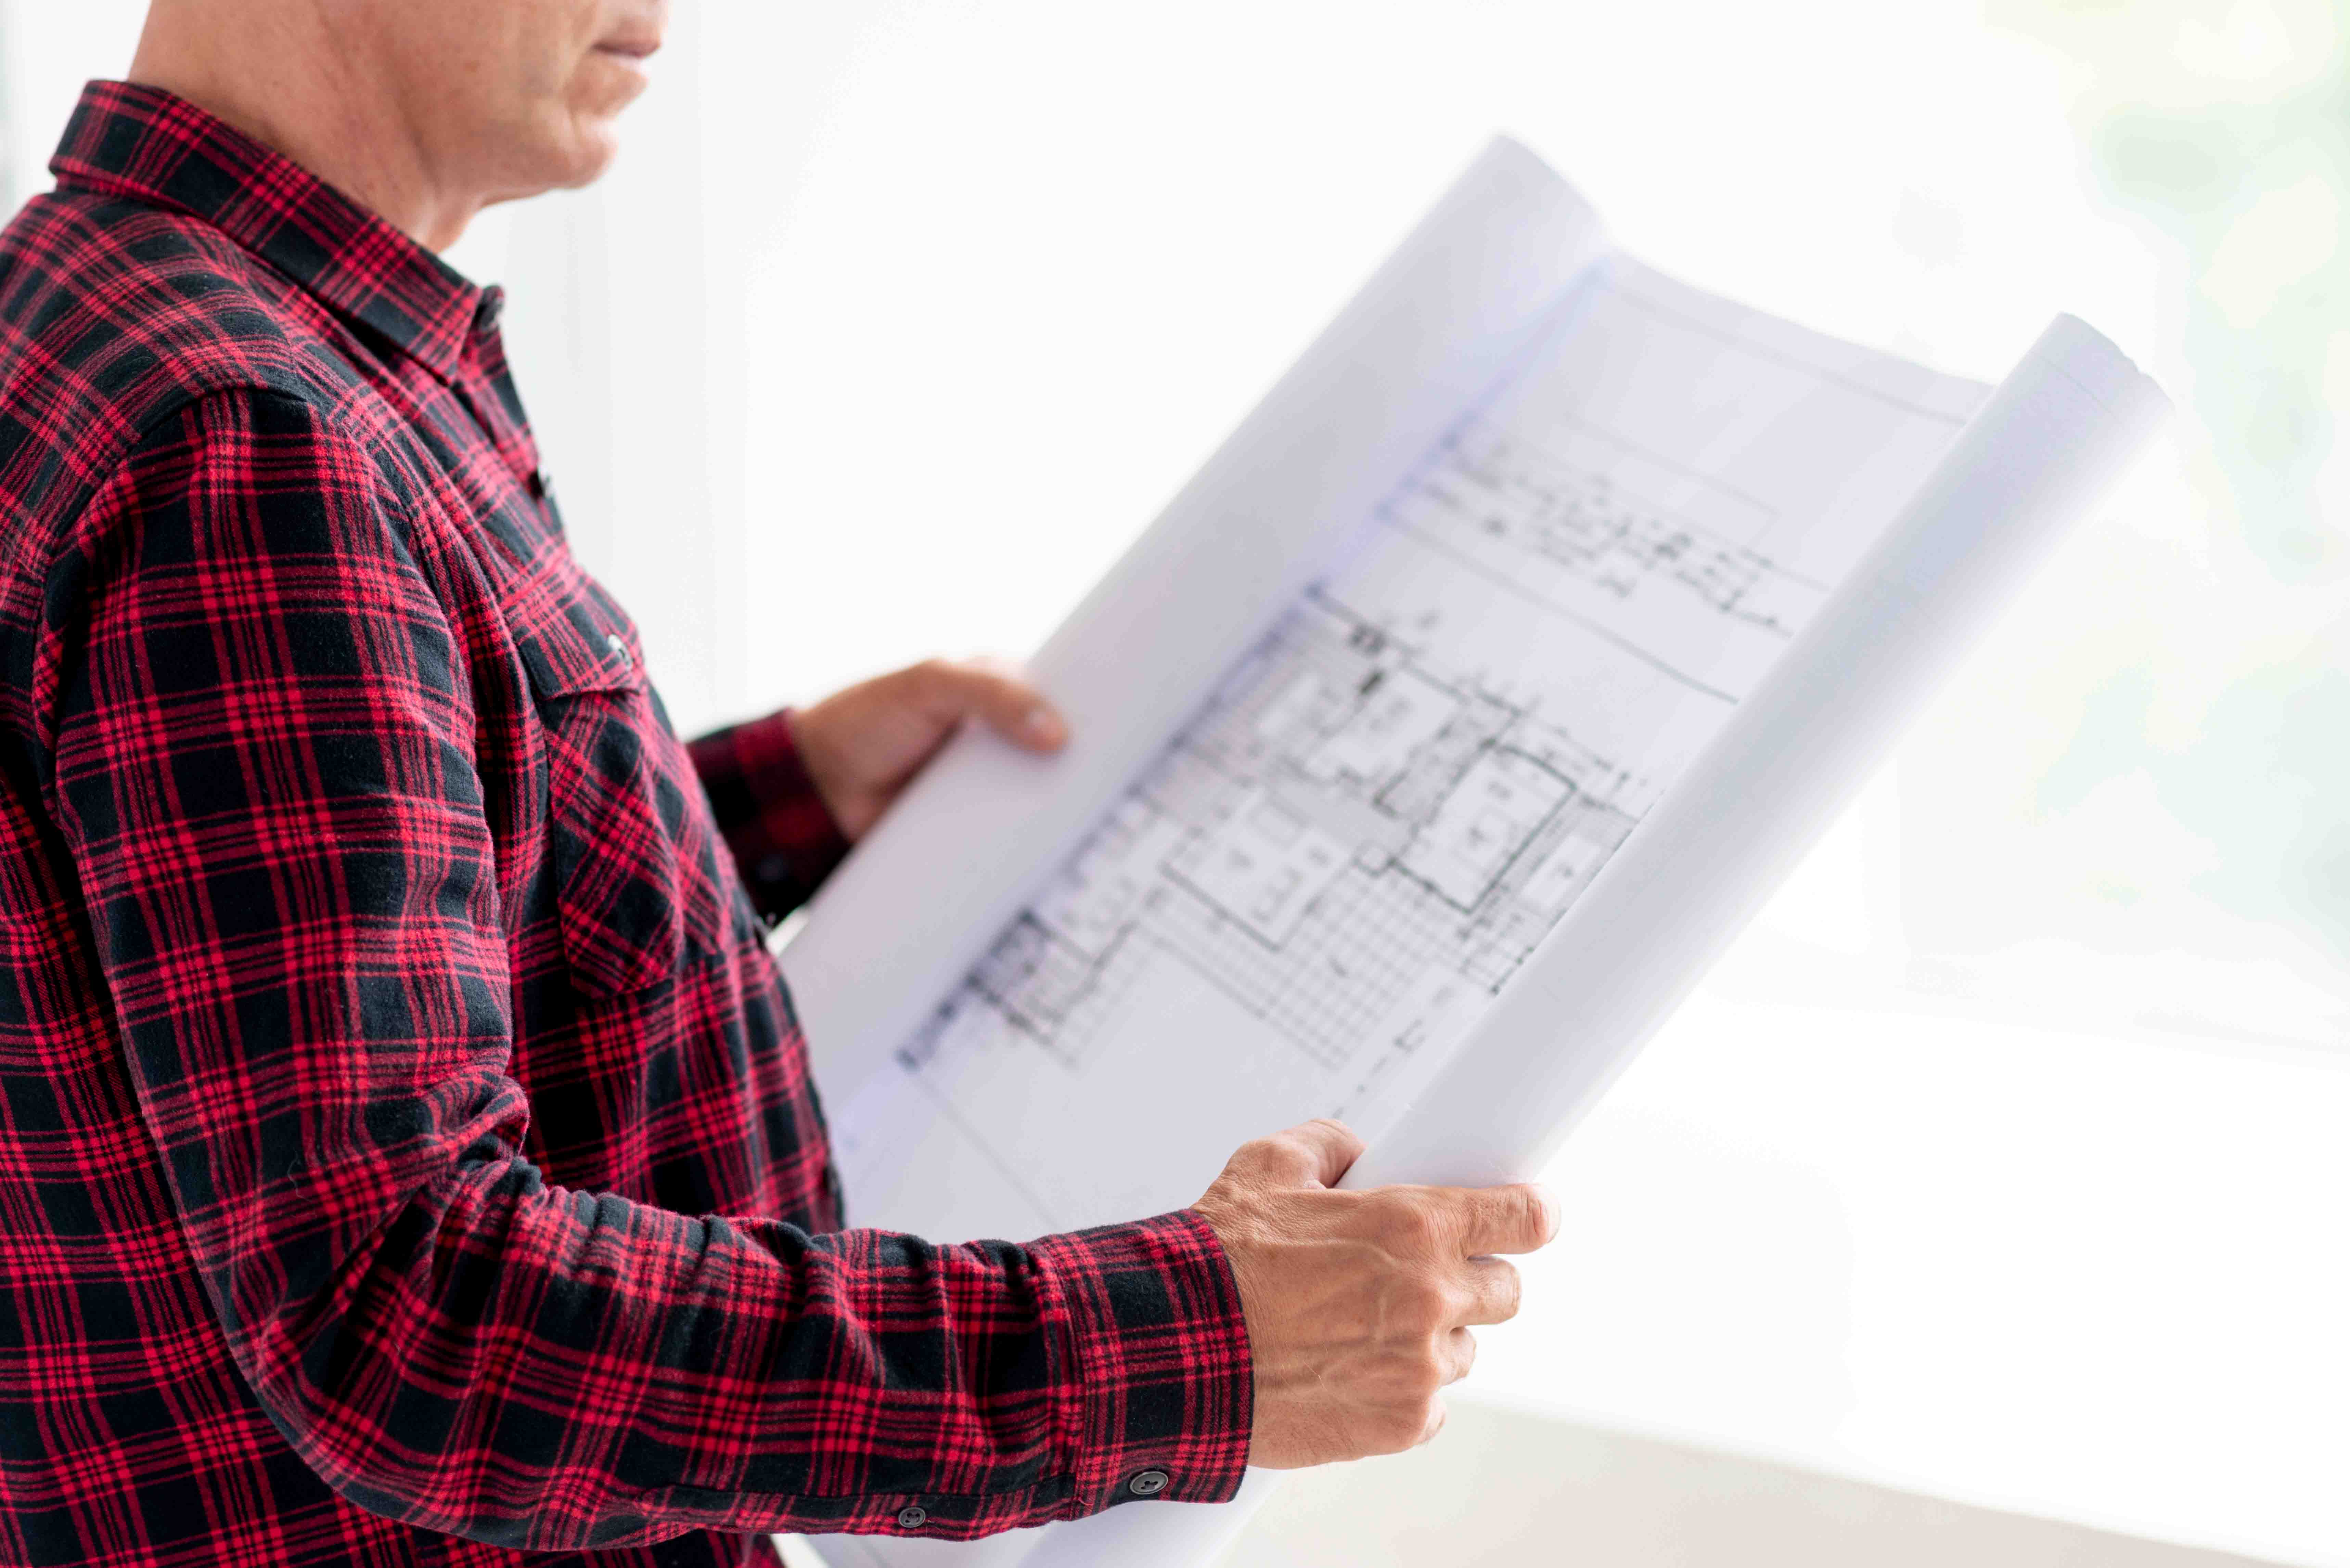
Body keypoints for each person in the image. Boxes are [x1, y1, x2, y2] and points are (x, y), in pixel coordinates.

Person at [0, 2, 1559, 1564]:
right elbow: (406, 1321)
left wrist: (774, 796)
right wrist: (1190, 1345)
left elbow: (234, 929)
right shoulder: (255, 442)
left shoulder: (99, 310)